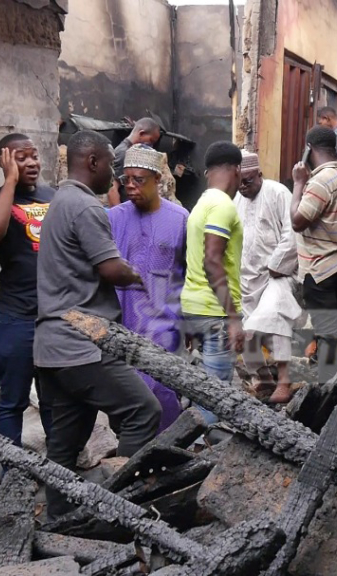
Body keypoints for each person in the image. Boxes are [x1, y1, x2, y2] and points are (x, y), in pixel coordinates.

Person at [35, 130, 162, 517]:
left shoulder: (59, 201)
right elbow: (110, 269)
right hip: (83, 345)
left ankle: (59, 516)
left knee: (65, 441)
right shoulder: (87, 208)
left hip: (52, 346)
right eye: (111, 163)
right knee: (144, 412)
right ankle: (123, 507)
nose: (116, 173)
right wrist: (138, 275)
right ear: (92, 161)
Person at [0, 133, 54, 447]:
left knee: (54, 401)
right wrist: (10, 182)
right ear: (5, 161)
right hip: (16, 317)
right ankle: (13, 478)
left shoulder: (54, 196)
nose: (32, 162)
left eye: (34, 156)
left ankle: (59, 475)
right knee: (13, 401)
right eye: (21, 157)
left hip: (54, 318)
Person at [108, 144, 189, 431]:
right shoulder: (113, 218)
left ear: (157, 179)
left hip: (164, 325)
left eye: (138, 179)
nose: (130, 186)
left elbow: (189, 273)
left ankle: (170, 457)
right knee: (127, 399)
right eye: (125, 179)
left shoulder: (180, 219)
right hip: (123, 324)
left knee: (163, 393)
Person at [291, 126, 337, 385]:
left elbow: (297, 221)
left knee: (327, 335)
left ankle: (327, 392)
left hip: (319, 271)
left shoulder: (320, 182)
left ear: (309, 149)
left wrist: (298, 184)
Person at [181, 142, 245, 406]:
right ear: (238, 170)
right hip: (214, 312)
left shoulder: (201, 203)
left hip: (193, 308)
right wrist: (233, 318)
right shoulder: (223, 205)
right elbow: (211, 261)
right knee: (215, 400)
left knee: (200, 390)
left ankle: (195, 441)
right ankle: (202, 445)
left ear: (207, 172)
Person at [234, 151, 299, 404]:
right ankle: (262, 378)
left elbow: (292, 231)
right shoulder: (236, 200)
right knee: (245, 326)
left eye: (248, 181)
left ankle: (285, 380)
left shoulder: (278, 192)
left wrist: (277, 264)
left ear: (259, 174)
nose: (242, 186)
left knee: (276, 316)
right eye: (239, 181)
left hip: (277, 273)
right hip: (247, 276)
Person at [110, 118, 163, 205]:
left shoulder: (131, 151)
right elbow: (112, 188)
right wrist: (119, 214)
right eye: (151, 141)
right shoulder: (124, 153)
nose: (151, 145)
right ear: (141, 133)